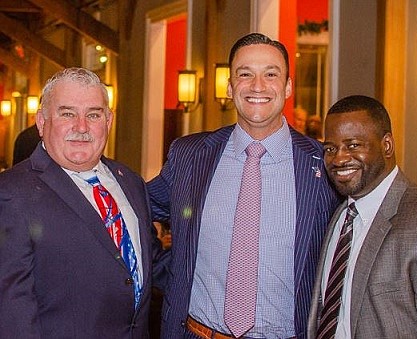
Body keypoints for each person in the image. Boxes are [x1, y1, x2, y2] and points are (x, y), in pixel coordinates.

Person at [148, 33, 339, 338]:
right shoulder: (190, 156)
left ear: (288, 87)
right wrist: (167, 270)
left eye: (271, 74)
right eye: (245, 74)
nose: (258, 86)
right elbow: (137, 208)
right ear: (230, 86)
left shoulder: (323, 164)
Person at [308, 95, 417, 338]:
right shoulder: (340, 216)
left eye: (353, 145)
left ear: (387, 145)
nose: (339, 158)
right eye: (330, 148)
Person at [0, 67, 160, 338]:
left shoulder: (131, 183)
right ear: (42, 122)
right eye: (67, 113)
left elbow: (152, 262)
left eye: (94, 115)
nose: (82, 127)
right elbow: (12, 313)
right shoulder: (13, 193)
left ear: (108, 121)